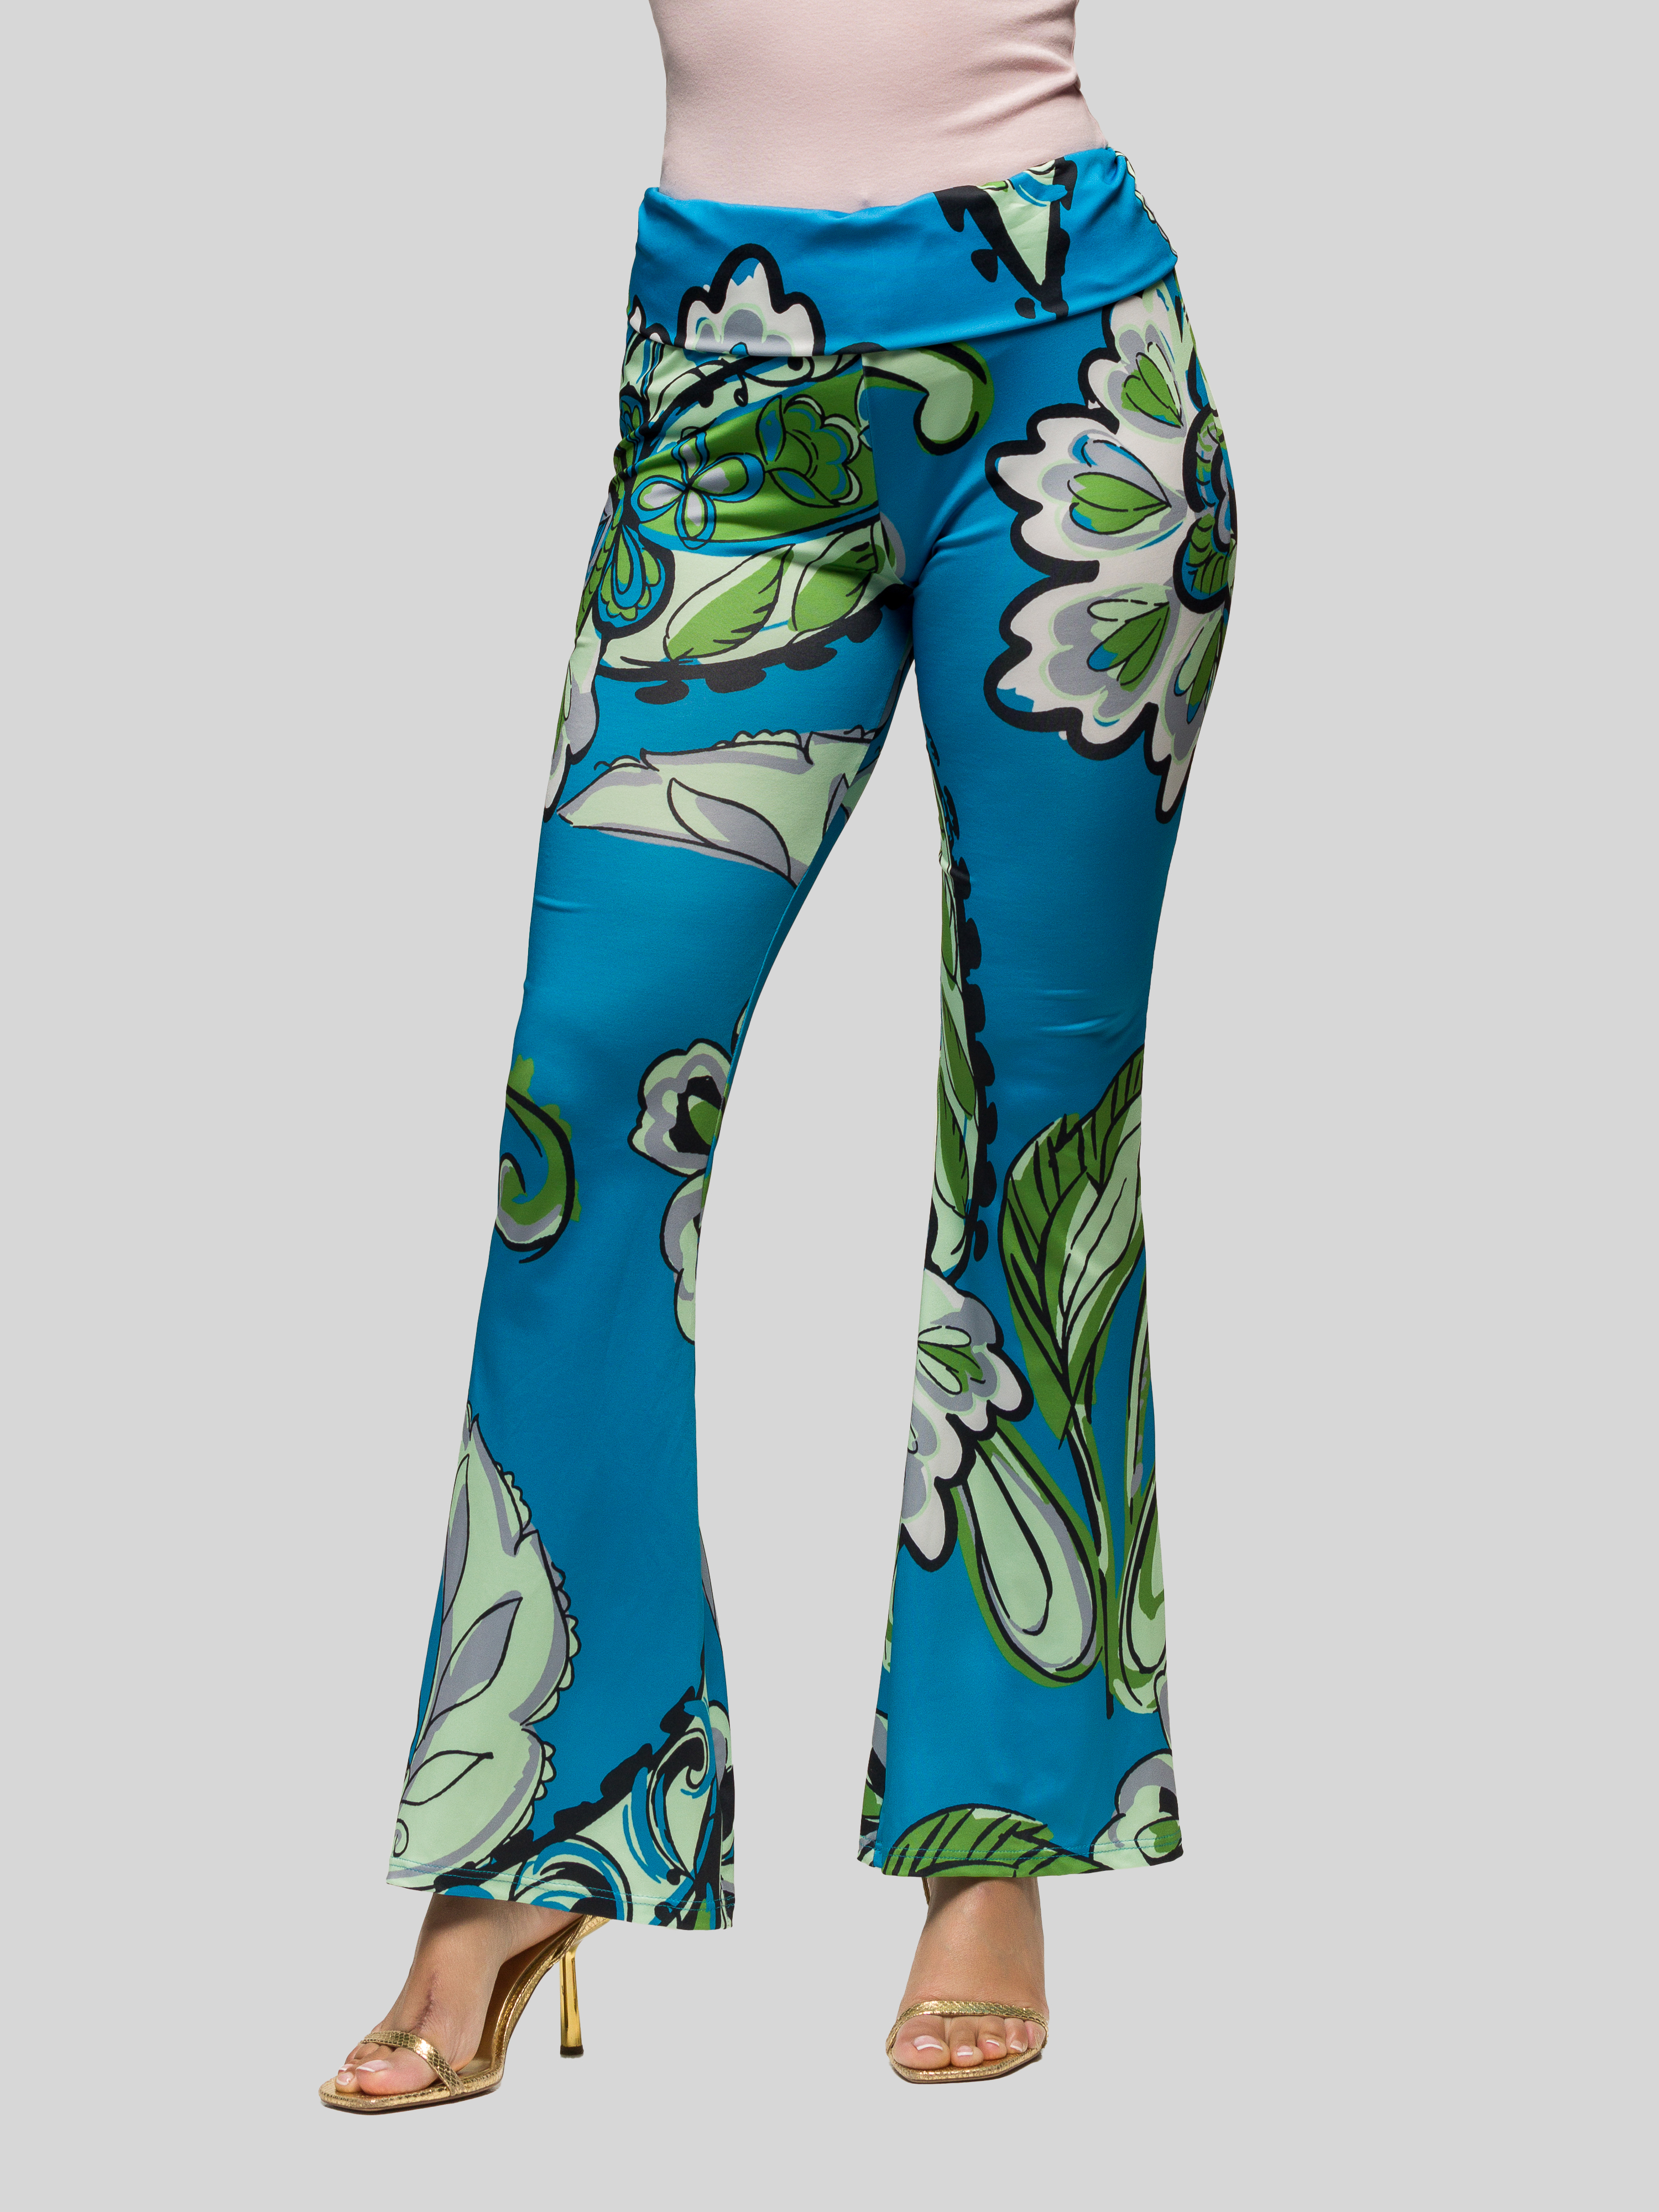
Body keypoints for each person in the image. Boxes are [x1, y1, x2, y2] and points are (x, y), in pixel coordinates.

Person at [322, 0, 1235, 2108]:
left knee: (1044, 1115)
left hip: (1081, 378)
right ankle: (539, 1822)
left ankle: (1000, 1829)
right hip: (727, 390)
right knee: (589, 1091)